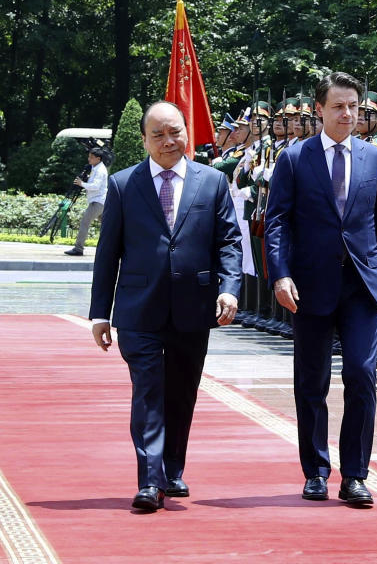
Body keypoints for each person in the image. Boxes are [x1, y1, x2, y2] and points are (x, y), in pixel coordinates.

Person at [88, 101, 242, 512]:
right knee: (148, 391)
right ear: (144, 140)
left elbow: (228, 241)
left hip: (194, 306)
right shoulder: (123, 184)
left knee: (181, 392)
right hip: (139, 308)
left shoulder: (212, 182)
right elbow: (108, 252)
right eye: (157, 134)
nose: (168, 141)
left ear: (186, 132)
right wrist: (100, 312)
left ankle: (172, 469)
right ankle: (149, 479)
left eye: (174, 132)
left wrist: (229, 288)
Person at [264, 71, 377, 506]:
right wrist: (280, 274)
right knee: (312, 380)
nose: (348, 114)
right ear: (319, 109)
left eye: (354, 107)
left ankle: (356, 474)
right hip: (310, 285)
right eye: (339, 106)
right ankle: (316, 470)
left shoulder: (374, 158)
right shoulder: (294, 158)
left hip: (363, 284)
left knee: (361, 374)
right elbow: (277, 222)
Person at [65, 147, 109, 256]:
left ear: (98, 159)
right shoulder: (96, 167)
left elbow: (96, 186)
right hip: (99, 201)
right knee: (107, 226)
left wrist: (82, 184)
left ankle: (78, 248)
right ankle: (113, 248)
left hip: (98, 202)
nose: (89, 159)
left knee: (85, 222)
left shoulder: (100, 170)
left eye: (91, 157)